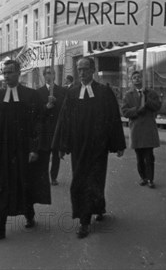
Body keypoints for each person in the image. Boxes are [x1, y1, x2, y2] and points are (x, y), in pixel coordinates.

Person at [52, 57, 126, 239]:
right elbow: (64, 120)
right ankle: (84, 221)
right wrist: (62, 145)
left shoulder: (104, 92)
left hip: (98, 146)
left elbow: (113, 118)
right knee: (79, 182)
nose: (82, 73)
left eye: (85, 69)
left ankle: (98, 207)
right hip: (79, 147)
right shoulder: (72, 93)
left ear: (93, 70)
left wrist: (118, 144)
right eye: (79, 69)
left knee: (96, 180)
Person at [0, 60, 47, 240]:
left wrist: (35, 149)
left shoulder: (31, 95)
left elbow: (38, 124)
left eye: (10, 72)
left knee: (24, 185)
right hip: (3, 150)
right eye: (4, 73)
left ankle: (29, 214)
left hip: (23, 150)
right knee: (2, 186)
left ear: (19, 73)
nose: (6, 76)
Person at [121, 71, 161, 188]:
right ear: (132, 81)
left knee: (149, 156)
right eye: (134, 78)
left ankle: (150, 179)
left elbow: (158, 106)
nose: (137, 79)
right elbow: (125, 112)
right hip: (137, 129)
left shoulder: (151, 93)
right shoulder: (128, 95)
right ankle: (143, 177)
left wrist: (147, 100)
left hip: (148, 128)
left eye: (139, 77)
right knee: (139, 157)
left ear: (142, 79)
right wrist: (137, 110)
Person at [36, 67, 67, 186]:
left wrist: (56, 102)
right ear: (44, 76)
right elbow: (37, 112)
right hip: (44, 129)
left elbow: (65, 108)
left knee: (56, 155)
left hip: (57, 128)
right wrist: (46, 107)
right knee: (44, 154)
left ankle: (54, 177)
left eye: (51, 73)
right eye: (47, 73)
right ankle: (43, 177)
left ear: (55, 75)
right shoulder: (39, 92)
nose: (49, 76)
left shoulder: (62, 91)